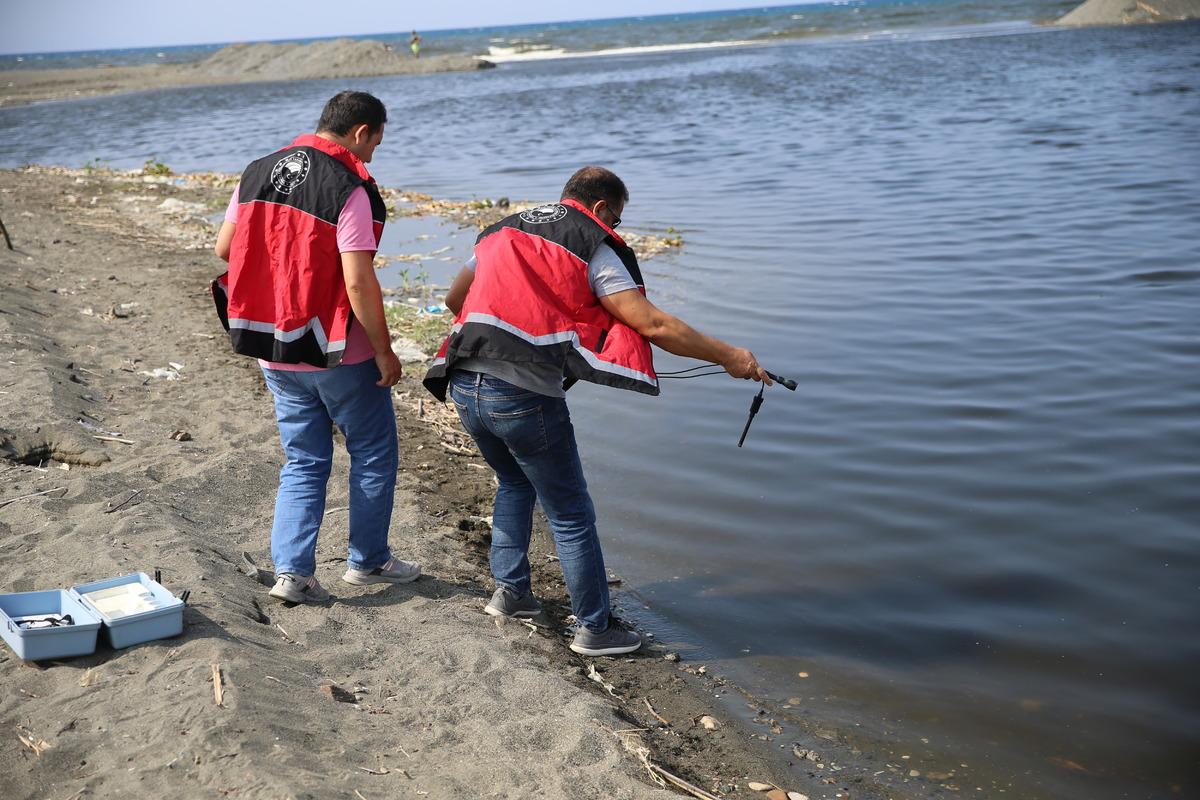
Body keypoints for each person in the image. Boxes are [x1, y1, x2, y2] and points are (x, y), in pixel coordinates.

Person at [423, 166, 770, 656]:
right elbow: (651, 323)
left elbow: (454, 298)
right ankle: (595, 628)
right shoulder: (592, 241)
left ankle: (511, 594)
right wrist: (730, 356)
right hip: (521, 393)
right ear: (603, 209)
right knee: (570, 513)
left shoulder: (502, 231)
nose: (617, 230)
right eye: (618, 220)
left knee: (515, 483)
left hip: (461, 381)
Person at [212, 90, 421, 604]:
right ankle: (368, 561)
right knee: (372, 453)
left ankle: (292, 572)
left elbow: (224, 248)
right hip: (335, 350)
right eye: (376, 142)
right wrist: (385, 351)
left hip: (273, 345)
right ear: (360, 133)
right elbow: (357, 281)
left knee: (304, 459)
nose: (373, 154)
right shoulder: (351, 187)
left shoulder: (257, 171)